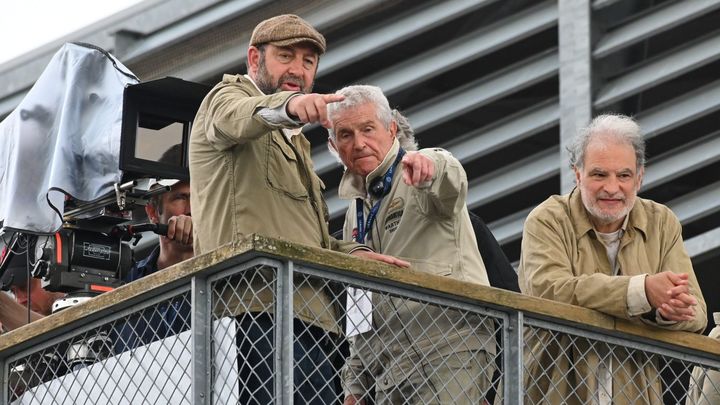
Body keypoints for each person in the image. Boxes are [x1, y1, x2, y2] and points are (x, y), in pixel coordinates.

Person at [188, 14, 407, 404]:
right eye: (286, 56)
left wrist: (358, 255)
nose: (298, 69)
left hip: (314, 319)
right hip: (255, 311)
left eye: (308, 62)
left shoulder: (295, 142)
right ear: (254, 59)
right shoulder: (224, 99)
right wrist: (290, 106)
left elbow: (314, 240)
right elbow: (239, 117)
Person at [518, 114, 707, 404]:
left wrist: (667, 311)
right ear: (577, 174)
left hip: (635, 394)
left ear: (639, 178)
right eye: (599, 174)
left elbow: (697, 314)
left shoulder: (662, 222)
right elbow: (548, 291)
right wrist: (640, 292)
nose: (611, 187)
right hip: (553, 392)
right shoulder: (547, 219)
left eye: (623, 175)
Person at [326, 85, 496, 404]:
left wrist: (430, 165)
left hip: (447, 350)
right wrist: (355, 383)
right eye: (345, 134)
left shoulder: (416, 172)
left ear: (391, 129)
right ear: (333, 144)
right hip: (388, 373)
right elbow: (360, 308)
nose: (359, 143)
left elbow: (451, 182)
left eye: (367, 129)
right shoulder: (354, 214)